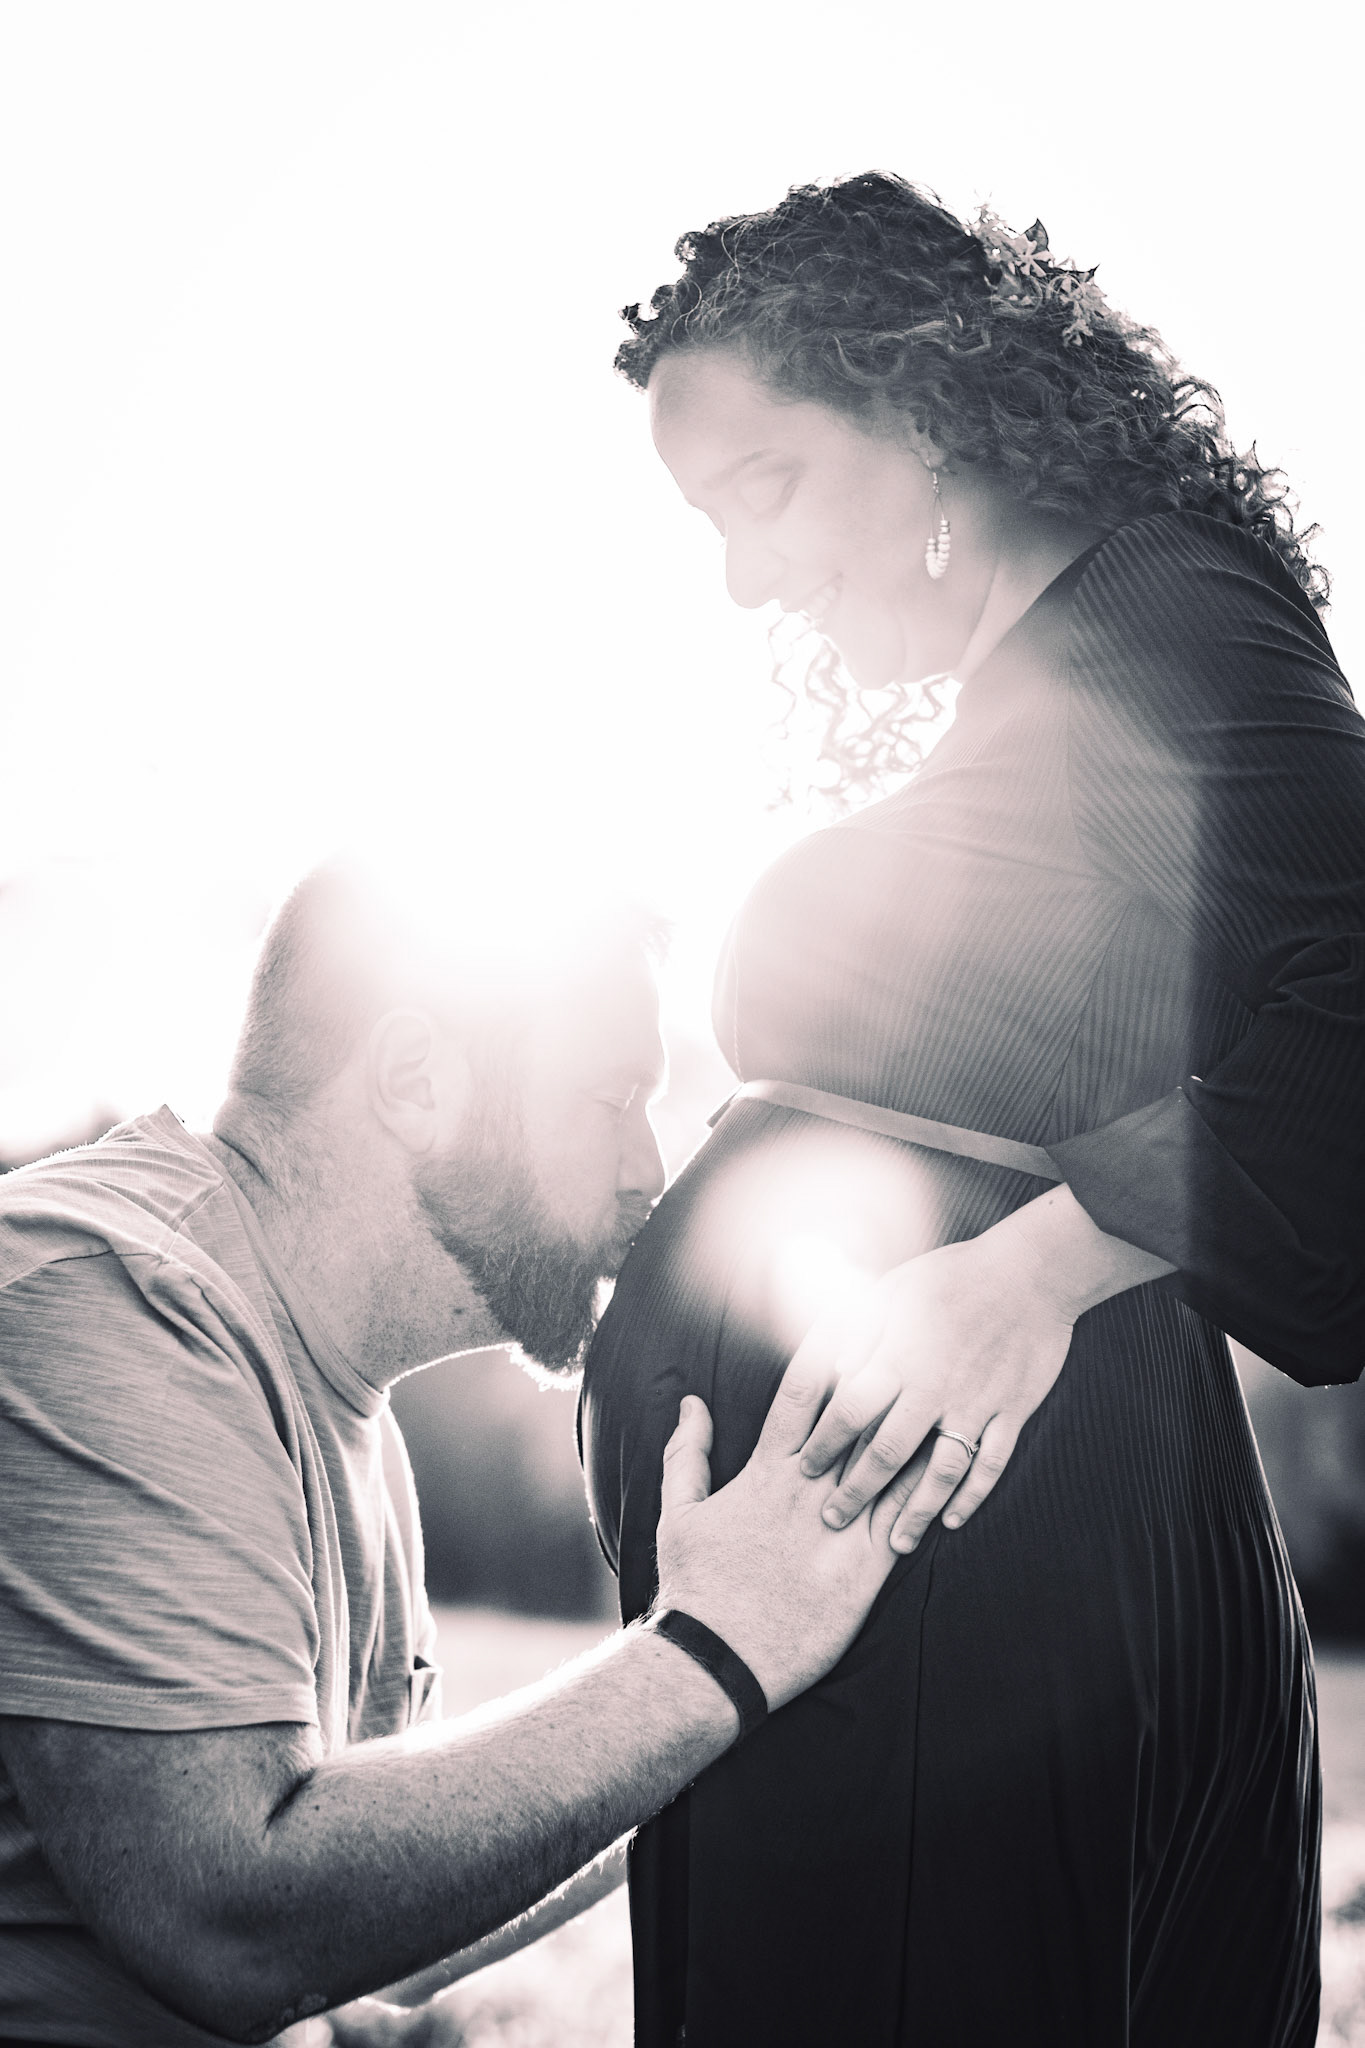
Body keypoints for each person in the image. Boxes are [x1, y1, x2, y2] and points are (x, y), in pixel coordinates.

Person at [580, 172, 1365, 2047]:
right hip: (897, 1561)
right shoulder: (1052, 673)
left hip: (968, 1549)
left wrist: (1025, 1277)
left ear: (923, 403)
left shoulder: (1164, 613)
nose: (747, 577)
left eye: (768, 486)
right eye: (711, 522)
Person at [0, 861, 920, 2047]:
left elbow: (372, 1931)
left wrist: (737, 1702)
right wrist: (710, 1647)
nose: (646, 1171)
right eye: (610, 1097)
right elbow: (233, 1922)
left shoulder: (351, 1412)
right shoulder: (100, 1295)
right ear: (416, 1079)